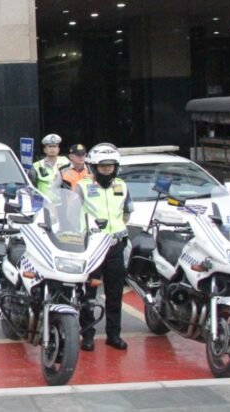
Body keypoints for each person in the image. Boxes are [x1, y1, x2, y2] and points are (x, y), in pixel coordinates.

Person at [75, 142, 131, 351]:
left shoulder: (122, 186)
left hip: (115, 246)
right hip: (92, 247)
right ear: (93, 167)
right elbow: (72, 214)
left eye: (110, 166)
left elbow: (127, 213)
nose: (107, 169)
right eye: (102, 166)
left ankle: (113, 335)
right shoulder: (82, 187)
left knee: (115, 293)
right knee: (88, 294)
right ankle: (87, 335)